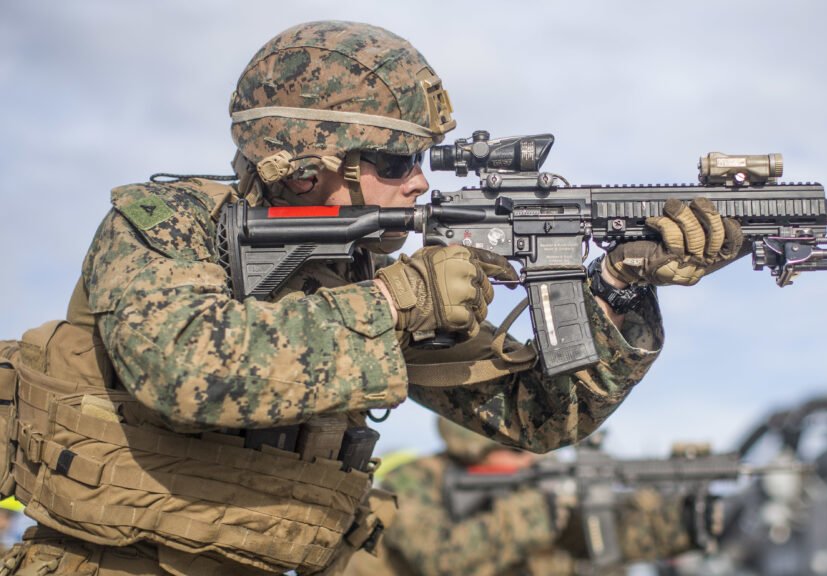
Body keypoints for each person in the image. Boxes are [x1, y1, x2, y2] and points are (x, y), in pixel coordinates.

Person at [0, 20, 740, 576]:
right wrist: (397, 302)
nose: (420, 181)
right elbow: (189, 368)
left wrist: (619, 289)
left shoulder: (363, 274)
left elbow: (538, 417)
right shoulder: (167, 225)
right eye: (395, 160)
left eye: (420, 159)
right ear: (302, 164)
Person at [344, 418, 701, 576]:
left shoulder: (536, 489)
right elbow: (442, 561)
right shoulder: (412, 481)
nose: (532, 458)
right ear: (475, 451)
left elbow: (594, 542)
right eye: (518, 450)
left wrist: (682, 523)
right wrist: (534, 512)